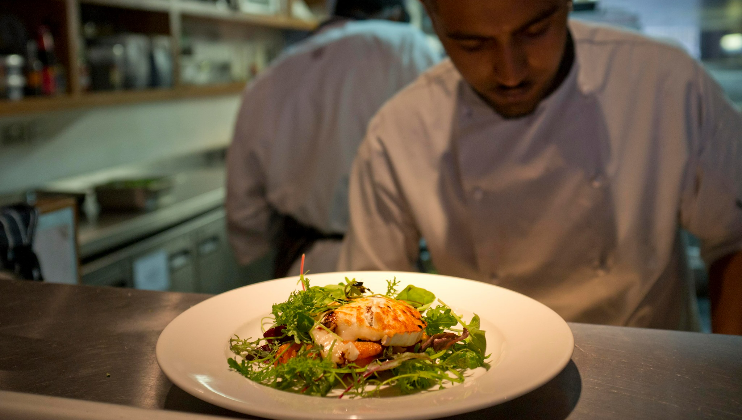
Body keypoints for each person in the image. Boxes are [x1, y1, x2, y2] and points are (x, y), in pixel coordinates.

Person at [338, 0, 742, 335]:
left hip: (650, 376)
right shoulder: (398, 131)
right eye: (473, 44)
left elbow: (734, 240)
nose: (510, 73)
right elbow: (369, 297)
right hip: (486, 381)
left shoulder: (666, 82)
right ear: (432, 17)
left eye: (534, 32)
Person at [226, 0, 440, 279]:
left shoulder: (271, 76)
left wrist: (257, 252)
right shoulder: (411, 47)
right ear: (396, 12)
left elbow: (244, 208)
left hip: (302, 266)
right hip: (392, 266)